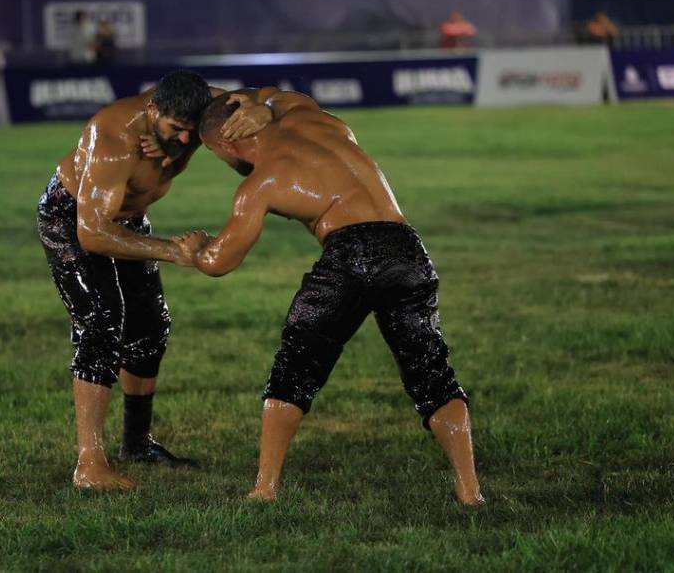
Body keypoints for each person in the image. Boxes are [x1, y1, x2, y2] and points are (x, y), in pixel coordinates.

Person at [179, 89, 483, 506]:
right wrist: (258, 104)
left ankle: (264, 489)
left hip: (350, 253)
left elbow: (219, 262)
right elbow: (275, 94)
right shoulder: (312, 117)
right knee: (431, 372)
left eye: (218, 154)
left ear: (227, 142)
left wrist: (195, 248)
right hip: (407, 248)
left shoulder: (262, 181)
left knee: (296, 366)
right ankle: (471, 493)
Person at [36, 70, 271, 491]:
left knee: (150, 327)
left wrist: (259, 108)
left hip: (127, 220)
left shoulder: (194, 109)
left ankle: (137, 443)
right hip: (74, 220)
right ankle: (89, 465)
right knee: (102, 324)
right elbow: (93, 233)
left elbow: (252, 99)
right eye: (176, 130)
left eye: (191, 132)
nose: (184, 141)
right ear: (152, 110)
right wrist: (172, 251)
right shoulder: (111, 139)